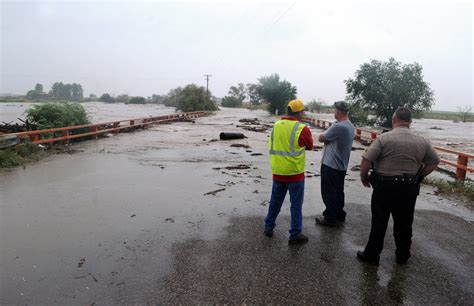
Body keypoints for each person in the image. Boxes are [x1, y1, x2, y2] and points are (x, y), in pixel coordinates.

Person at [357, 107, 440, 266]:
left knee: (379, 221)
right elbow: (434, 161)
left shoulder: (384, 138)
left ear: (394, 120)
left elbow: (366, 160)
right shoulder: (422, 141)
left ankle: (372, 255)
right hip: (408, 188)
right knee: (404, 223)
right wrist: (419, 176)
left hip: (384, 186)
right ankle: (403, 255)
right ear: (410, 122)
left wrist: (364, 177)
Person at [264, 99, 314, 244]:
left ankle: (268, 227)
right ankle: (295, 235)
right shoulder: (301, 128)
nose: (303, 114)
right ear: (299, 112)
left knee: (275, 201)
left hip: (278, 172)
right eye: (303, 111)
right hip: (295, 174)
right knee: (296, 205)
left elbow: (270, 144)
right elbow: (309, 146)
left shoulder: (276, 125)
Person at [315, 101, 355, 226]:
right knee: (338, 191)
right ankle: (339, 214)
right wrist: (328, 140)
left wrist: (327, 140)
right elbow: (329, 139)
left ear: (338, 112)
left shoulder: (338, 126)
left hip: (330, 165)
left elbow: (321, 138)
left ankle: (330, 217)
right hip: (342, 165)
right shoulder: (350, 126)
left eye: (334, 111)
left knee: (328, 192)